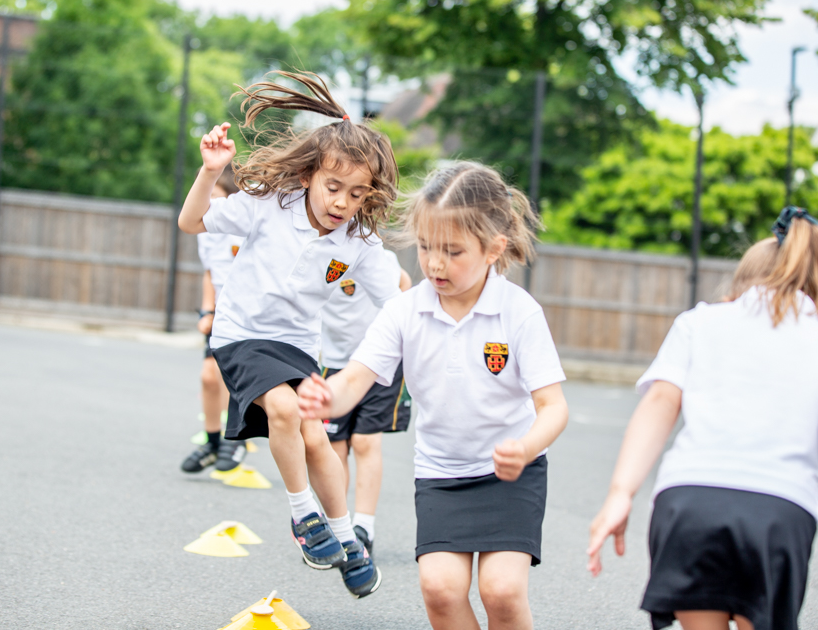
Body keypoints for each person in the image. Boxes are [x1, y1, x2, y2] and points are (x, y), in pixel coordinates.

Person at [299, 161, 570, 629]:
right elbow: (355, 378)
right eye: (426, 247)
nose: (435, 263)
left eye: (453, 251)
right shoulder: (405, 311)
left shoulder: (518, 312)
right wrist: (328, 398)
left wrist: (525, 448)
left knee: (501, 592)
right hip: (442, 473)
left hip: (511, 474)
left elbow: (553, 407)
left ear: (493, 249)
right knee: (441, 591)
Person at [177, 71, 403, 598]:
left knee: (315, 436)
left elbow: (396, 306)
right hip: (240, 335)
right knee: (283, 411)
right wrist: (211, 172)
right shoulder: (266, 207)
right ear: (309, 176)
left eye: (356, 193)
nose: (342, 202)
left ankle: (347, 538)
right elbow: (192, 222)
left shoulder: (359, 244)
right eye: (333, 186)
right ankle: (304, 516)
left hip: (299, 346)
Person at [587, 206, 818, 630]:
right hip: (778, 508)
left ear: (739, 283)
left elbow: (659, 402)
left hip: (689, 501)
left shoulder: (700, 322)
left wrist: (621, 493)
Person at [320, 249, 412, 557]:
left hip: (378, 363)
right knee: (335, 447)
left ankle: (364, 526)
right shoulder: (316, 253)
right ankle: (338, 523)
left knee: (364, 442)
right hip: (333, 362)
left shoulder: (379, 257)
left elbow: (404, 282)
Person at [181, 165, 248, 474]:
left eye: (214, 196)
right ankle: (212, 442)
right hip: (222, 313)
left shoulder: (243, 225)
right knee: (210, 377)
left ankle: (238, 438)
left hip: (249, 314)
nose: (207, 203)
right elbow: (210, 272)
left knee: (240, 380)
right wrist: (208, 309)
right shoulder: (205, 231)